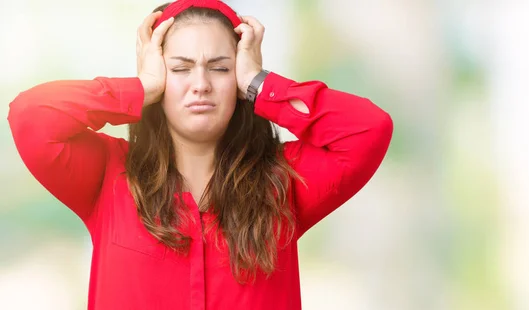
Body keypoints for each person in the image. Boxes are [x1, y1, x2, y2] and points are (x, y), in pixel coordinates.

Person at [7, 0, 393, 309]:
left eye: (221, 69)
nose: (201, 85)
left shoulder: (285, 181)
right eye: (180, 68)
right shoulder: (107, 176)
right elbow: (32, 116)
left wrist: (262, 84)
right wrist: (142, 88)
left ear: (240, 82)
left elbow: (368, 129)